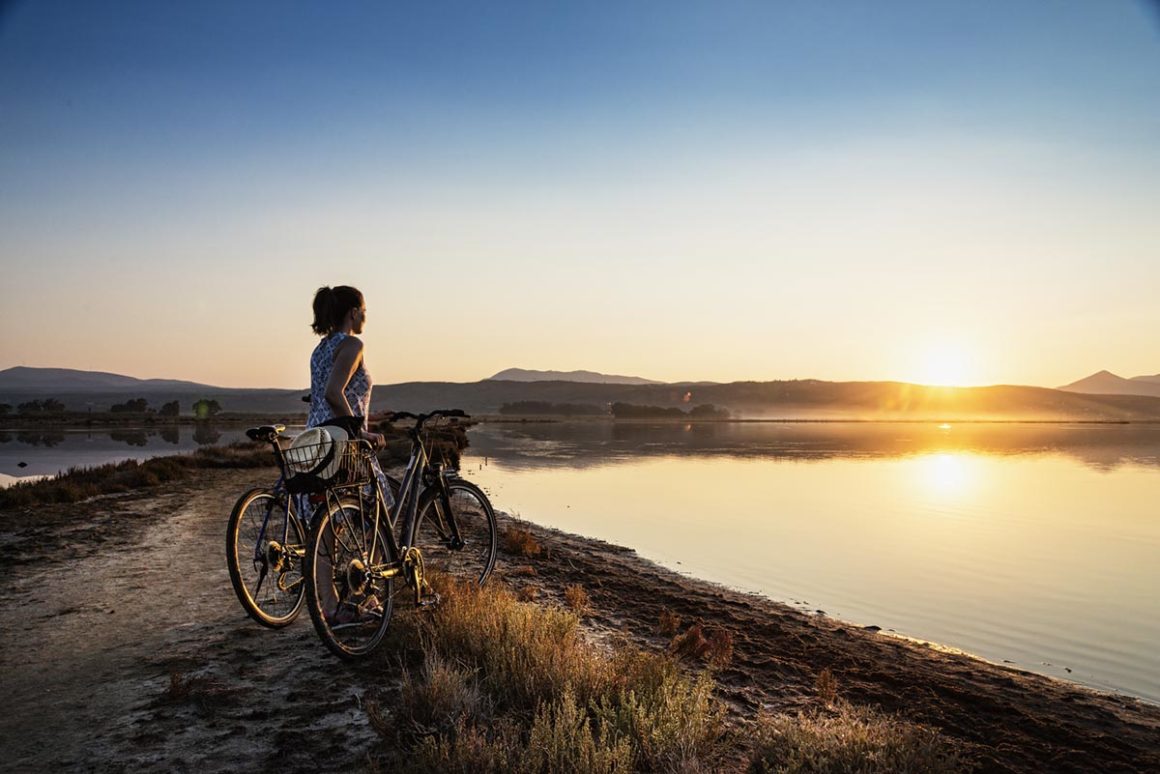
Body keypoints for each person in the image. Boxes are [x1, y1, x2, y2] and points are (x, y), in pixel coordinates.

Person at [307, 285, 393, 507]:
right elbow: (333, 394)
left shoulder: (320, 349)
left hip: (314, 440)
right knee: (379, 506)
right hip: (341, 440)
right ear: (353, 312)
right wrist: (360, 432)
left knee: (328, 517)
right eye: (364, 310)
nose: (365, 316)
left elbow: (326, 401)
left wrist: (370, 416)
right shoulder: (352, 344)